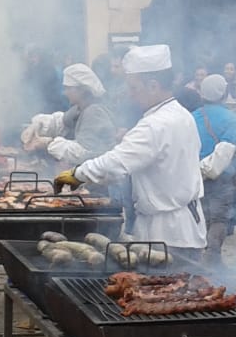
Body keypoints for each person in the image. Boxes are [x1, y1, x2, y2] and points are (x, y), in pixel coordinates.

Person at [56, 44, 206, 252]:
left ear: (153, 86)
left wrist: (73, 175)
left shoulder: (157, 123)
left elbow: (115, 162)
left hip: (168, 235)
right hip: (179, 228)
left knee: (167, 283)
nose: (130, 94)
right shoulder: (181, 115)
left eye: (134, 88)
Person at [22, 63, 117, 167]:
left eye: (68, 88)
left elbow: (83, 152)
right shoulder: (79, 108)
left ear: (82, 90)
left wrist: (48, 143)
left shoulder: (94, 112)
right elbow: (61, 122)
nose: (65, 93)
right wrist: (38, 125)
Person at [193, 73, 236, 267]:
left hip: (197, 175)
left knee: (201, 216)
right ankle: (212, 258)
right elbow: (232, 147)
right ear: (224, 93)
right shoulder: (231, 118)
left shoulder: (193, 116)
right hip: (222, 177)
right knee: (219, 219)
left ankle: (198, 258)